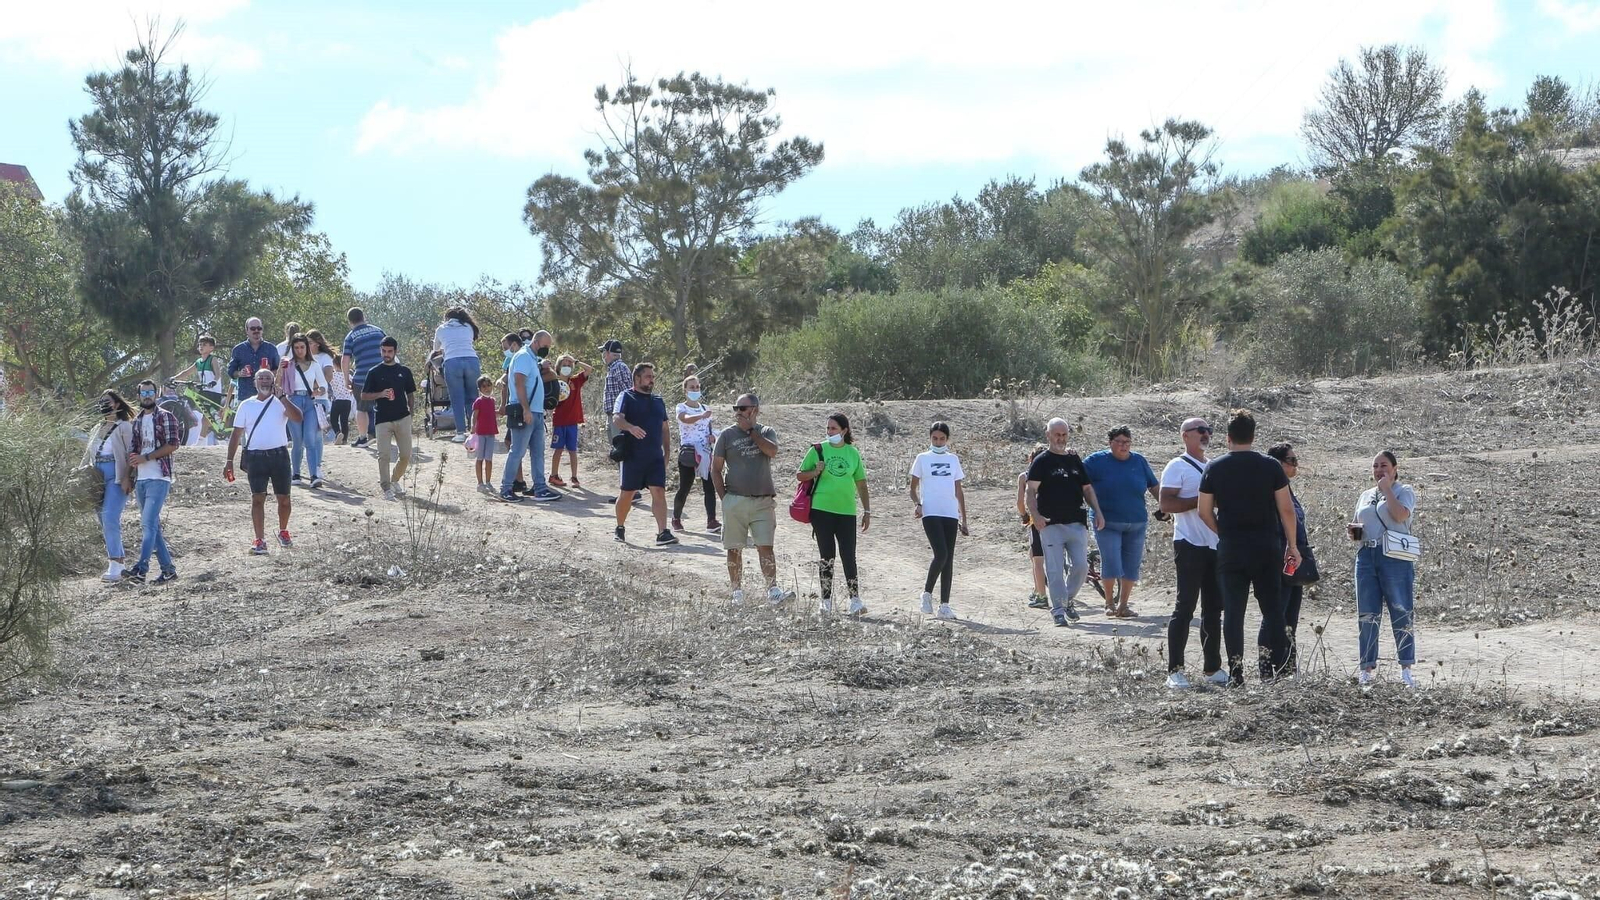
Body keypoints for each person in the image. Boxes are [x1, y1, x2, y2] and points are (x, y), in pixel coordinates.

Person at [1196, 409, 1301, 686]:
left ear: (1228, 437)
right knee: (1273, 610)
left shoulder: (1214, 467)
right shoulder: (1271, 466)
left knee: (1233, 612)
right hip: (1266, 546)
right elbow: (1287, 510)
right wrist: (1292, 545)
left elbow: (1204, 512)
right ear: (1253, 436)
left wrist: (1224, 532)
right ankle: (1276, 672)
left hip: (1232, 548)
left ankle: (1237, 673)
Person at [1160, 418, 1225, 689]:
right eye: (1200, 430)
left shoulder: (1213, 466)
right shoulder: (1177, 466)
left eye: (1209, 430)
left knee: (1213, 610)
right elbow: (1165, 503)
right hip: (1188, 544)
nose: (1206, 434)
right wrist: (1201, 501)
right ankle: (1175, 670)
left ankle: (1212, 668)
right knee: (1185, 606)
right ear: (1185, 436)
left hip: (1215, 544)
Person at [712, 393, 794, 604]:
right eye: (735, 408)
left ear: (755, 410)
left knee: (765, 546)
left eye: (743, 408)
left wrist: (750, 431)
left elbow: (772, 451)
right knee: (734, 548)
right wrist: (725, 499)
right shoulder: (726, 435)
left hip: (762, 501)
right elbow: (715, 469)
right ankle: (737, 593)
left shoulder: (766, 432)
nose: (738, 412)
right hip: (735, 500)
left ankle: (773, 591)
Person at [1027, 418, 1105, 627]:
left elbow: (1087, 489)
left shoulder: (1074, 459)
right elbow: (1030, 491)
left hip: (1076, 522)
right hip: (1050, 524)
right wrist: (1036, 516)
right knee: (1054, 570)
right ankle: (1059, 611)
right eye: (1056, 434)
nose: (1060, 439)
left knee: (1080, 567)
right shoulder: (1041, 461)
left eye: (1063, 435)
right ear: (1048, 435)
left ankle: (1067, 600)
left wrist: (1097, 511)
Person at [1349, 450, 1418, 687]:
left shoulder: (1404, 491)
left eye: (1384, 465)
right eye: (1376, 466)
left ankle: (1406, 668)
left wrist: (1387, 489)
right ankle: (1366, 669)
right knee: (1367, 614)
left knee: (1401, 611)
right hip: (1366, 555)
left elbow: (1400, 516)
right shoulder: (1365, 495)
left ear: (1395, 468)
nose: (1379, 470)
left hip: (1395, 557)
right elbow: (1359, 523)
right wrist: (1354, 531)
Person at [1083, 426, 1163, 618]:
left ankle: (1124, 605)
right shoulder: (1096, 461)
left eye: (1127, 442)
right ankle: (1109, 602)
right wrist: (1096, 511)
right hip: (1106, 521)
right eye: (1119, 442)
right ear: (1110, 443)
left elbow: (1153, 486)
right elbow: (1083, 484)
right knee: (1111, 561)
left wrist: (1165, 505)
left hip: (1136, 521)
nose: (1123, 446)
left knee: (1132, 564)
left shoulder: (1139, 461)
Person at [798, 412, 870, 614]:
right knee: (827, 556)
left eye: (834, 428)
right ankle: (826, 601)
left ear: (844, 431)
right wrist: (815, 472)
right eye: (828, 428)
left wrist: (867, 510)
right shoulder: (817, 450)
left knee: (849, 555)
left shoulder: (852, 453)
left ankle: (855, 600)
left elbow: (861, 484)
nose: (830, 432)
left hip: (847, 511)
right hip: (822, 510)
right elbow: (800, 474)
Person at [225, 368, 303, 554]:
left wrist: (283, 397)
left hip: (279, 456)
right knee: (257, 498)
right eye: (261, 378)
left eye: (268, 378)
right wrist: (229, 460)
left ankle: (283, 531)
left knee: (284, 499)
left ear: (274, 381)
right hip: (255, 457)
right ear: (255, 382)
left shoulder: (280, 403)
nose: (265, 381)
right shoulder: (246, 405)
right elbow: (236, 434)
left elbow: (298, 418)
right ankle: (260, 540)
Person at [612, 363, 676, 546]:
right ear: (637, 378)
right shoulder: (626, 396)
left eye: (653, 376)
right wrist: (631, 428)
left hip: (654, 456)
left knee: (659, 491)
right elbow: (617, 418)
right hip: (632, 455)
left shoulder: (658, 401)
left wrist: (667, 452)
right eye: (648, 376)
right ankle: (620, 527)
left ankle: (663, 532)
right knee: (627, 493)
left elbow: (665, 428)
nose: (652, 380)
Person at [127, 379, 182, 584]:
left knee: (147, 524)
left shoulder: (166, 416)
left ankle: (141, 569)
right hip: (141, 478)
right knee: (153, 527)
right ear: (139, 396)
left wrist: (147, 457)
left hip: (159, 476)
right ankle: (168, 570)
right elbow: (134, 448)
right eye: (143, 392)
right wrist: (133, 463)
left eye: (150, 392)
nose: (147, 395)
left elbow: (173, 444)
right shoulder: (137, 421)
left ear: (156, 394)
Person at [910, 421, 966, 620]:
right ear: (930, 438)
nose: (939, 442)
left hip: (950, 513)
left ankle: (944, 605)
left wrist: (964, 518)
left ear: (947, 439)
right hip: (931, 511)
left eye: (942, 438)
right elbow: (912, 488)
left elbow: (958, 490)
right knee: (940, 553)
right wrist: (918, 504)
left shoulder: (953, 459)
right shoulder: (922, 458)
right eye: (935, 438)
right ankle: (926, 594)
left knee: (949, 559)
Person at [1264, 443, 1310, 674]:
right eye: (1291, 461)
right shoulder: (1270, 492)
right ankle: (1266, 667)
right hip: (1278, 558)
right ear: (1278, 464)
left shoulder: (1287, 490)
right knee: (1275, 614)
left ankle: (1287, 667)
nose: (1295, 465)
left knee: (1290, 616)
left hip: (1294, 561)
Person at [499, 333, 561, 503]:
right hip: (524, 411)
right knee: (517, 451)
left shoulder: (532, 358)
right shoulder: (524, 357)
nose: (546, 349)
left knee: (538, 452)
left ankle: (540, 488)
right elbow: (519, 383)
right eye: (545, 345)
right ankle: (505, 488)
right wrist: (526, 409)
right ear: (536, 342)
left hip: (536, 412)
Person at [360, 337, 417, 501]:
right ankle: (386, 487)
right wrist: (380, 394)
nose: (386, 354)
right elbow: (363, 395)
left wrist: (411, 414)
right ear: (380, 351)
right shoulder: (374, 372)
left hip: (403, 417)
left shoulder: (404, 371)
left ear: (395, 351)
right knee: (383, 455)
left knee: (406, 454)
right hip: (382, 419)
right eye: (383, 351)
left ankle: (394, 480)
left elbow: (411, 394)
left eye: (389, 351)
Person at [90, 390, 135, 583]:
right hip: (97, 475)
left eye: (107, 401)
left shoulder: (124, 426)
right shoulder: (96, 428)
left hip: (116, 474)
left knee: (110, 516)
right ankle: (119, 562)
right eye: (101, 402)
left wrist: (127, 477)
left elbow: (131, 453)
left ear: (117, 404)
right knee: (102, 517)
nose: (104, 405)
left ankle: (115, 563)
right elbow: (89, 453)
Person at [672, 375, 718, 532]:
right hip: (689, 452)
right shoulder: (681, 407)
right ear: (685, 390)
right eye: (692, 387)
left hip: (705, 452)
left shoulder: (705, 408)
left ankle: (711, 520)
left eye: (697, 387)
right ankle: (676, 518)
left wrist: (713, 436)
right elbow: (685, 419)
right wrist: (700, 416)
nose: (695, 390)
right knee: (685, 487)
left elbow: (708, 428)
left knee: (709, 486)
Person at [284, 334, 329, 488]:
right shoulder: (288, 365)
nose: (299, 350)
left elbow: (324, 385)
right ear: (293, 349)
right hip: (293, 401)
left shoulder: (314, 365)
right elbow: (281, 384)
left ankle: (314, 475)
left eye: (302, 347)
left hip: (310, 402)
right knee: (297, 440)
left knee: (310, 439)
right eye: (296, 347)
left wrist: (319, 391)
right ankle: (295, 473)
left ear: (306, 347)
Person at [432, 306, 481, 443]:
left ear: (447, 317)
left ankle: (460, 432)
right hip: (472, 360)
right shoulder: (468, 326)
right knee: (473, 398)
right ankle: (475, 431)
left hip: (452, 361)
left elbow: (436, 349)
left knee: (457, 398)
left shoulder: (441, 329)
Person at [342, 307, 386, 448]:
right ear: (363, 317)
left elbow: (345, 360)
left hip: (362, 378)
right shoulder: (378, 331)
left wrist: (346, 379)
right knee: (385, 406)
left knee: (362, 408)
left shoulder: (350, 337)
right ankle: (385, 435)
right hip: (382, 374)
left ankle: (362, 438)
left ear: (350, 321)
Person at [548, 354, 592, 489]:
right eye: (564, 364)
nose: (566, 367)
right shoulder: (553, 382)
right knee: (558, 449)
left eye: (569, 365)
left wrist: (576, 361)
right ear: (558, 366)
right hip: (559, 420)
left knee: (572, 450)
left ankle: (574, 476)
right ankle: (554, 475)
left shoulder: (576, 381)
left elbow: (589, 369)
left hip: (572, 421)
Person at [174, 334, 228, 442]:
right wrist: (173, 378)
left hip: (213, 392)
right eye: (200, 344)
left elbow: (218, 374)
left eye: (204, 345)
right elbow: (186, 372)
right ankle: (202, 435)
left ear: (211, 348)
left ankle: (202, 441)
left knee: (205, 418)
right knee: (203, 415)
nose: (201, 346)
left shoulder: (212, 359)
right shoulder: (198, 362)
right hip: (204, 391)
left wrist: (214, 381)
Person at [1016, 444, 1050, 609]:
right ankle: (1037, 588)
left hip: (1036, 519)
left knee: (1037, 559)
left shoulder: (1025, 476)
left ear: (1031, 459)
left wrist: (1024, 516)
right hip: (1056, 517)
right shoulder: (1052, 472)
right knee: (1036, 554)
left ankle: (1042, 596)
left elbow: (1020, 503)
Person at [228, 317, 279, 407]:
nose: (256, 331)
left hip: (267, 395)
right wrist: (240, 373)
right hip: (245, 396)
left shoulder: (271, 348)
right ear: (246, 330)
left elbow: (278, 371)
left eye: (259, 328)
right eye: (252, 328)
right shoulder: (238, 349)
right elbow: (231, 371)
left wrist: (269, 371)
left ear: (262, 330)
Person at [468, 375, 499, 494]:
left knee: (489, 459)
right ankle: (480, 482)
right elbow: (474, 415)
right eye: (484, 386)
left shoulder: (492, 401)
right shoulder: (478, 401)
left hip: (491, 433)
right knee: (480, 458)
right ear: (479, 389)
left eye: (489, 385)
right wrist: (473, 426)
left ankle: (488, 482)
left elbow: (492, 413)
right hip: (480, 433)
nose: (487, 388)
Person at [600, 339, 629, 447]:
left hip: (619, 416)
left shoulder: (619, 367)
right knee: (616, 450)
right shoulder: (613, 368)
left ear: (607, 353)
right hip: (612, 415)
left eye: (603, 352)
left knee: (621, 450)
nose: (603, 355)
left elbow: (627, 392)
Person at [328, 353, 354, 445]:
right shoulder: (349, 376)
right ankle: (345, 440)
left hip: (337, 400)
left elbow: (327, 380)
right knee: (344, 420)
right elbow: (353, 386)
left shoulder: (333, 376)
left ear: (334, 364)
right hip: (347, 401)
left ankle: (338, 433)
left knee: (333, 419)